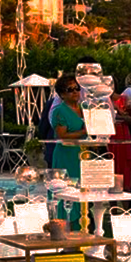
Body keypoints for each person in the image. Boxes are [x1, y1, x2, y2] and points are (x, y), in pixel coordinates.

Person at [49, 74, 87, 222]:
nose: (75, 92)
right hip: (66, 155)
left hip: (82, 155)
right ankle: (64, 225)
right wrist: (85, 131)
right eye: (70, 89)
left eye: (77, 88)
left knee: (83, 190)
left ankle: (83, 223)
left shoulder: (84, 108)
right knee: (67, 189)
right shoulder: (60, 111)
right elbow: (62, 135)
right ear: (62, 94)